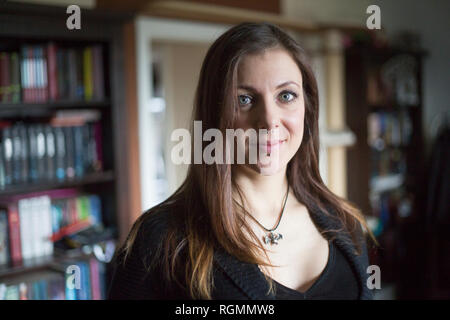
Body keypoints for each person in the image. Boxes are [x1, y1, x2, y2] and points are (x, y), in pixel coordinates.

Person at [108, 22, 376, 300]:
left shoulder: (346, 223)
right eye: (245, 99)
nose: (269, 120)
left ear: (307, 108)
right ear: (214, 114)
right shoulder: (162, 239)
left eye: (286, 95)